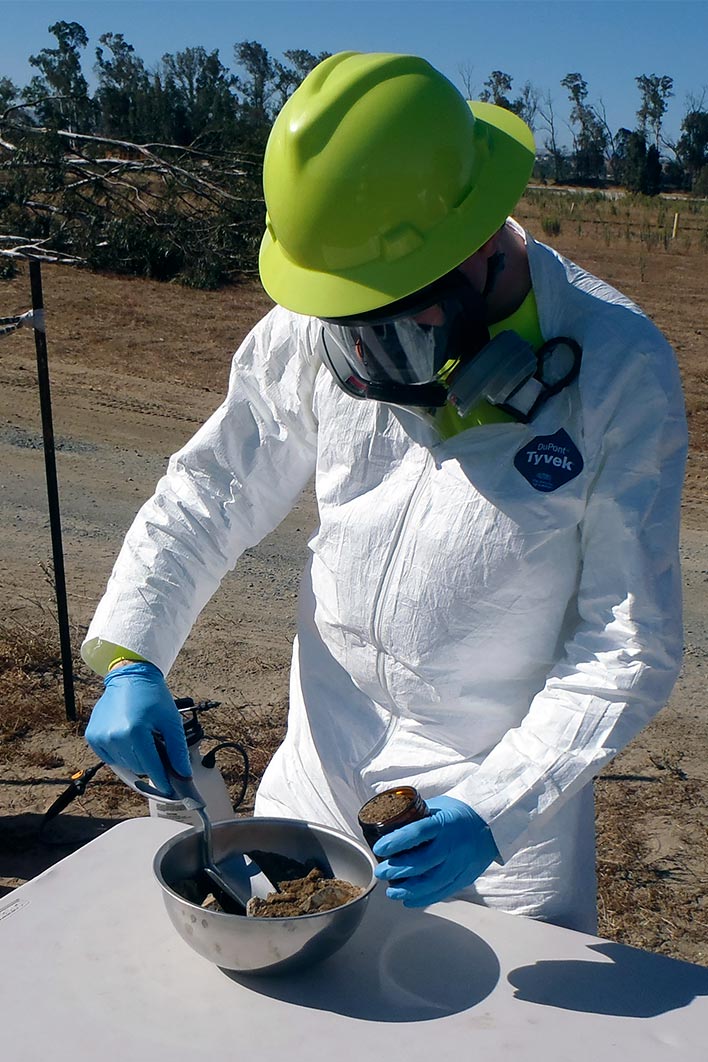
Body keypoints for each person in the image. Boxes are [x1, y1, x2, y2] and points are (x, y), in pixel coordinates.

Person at [83, 52, 687, 934]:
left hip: (492, 824)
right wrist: (131, 653)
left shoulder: (619, 369)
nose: (364, 359)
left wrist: (499, 810)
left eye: (397, 323)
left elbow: (625, 640)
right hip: (319, 769)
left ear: (478, 247)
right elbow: (213, 489)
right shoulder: (334, 302)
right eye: (349, 327)